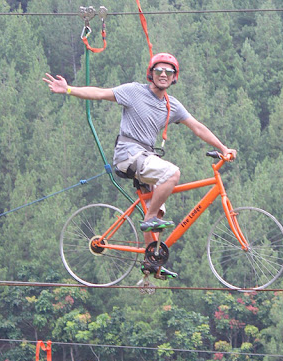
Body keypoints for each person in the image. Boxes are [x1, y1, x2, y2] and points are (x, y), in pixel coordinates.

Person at [43, 52, 237, 278]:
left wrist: (223, 148)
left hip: (144, 157)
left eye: (169, 72)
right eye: (159, 70)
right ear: (150, 74)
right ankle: (149, 219)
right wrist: (68, 89)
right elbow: (100, 93)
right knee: (172, 173)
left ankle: (151, 260)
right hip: (128, 154)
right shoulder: (134, 91)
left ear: (174, 77)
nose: (163, 74)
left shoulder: (171, 105)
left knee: (158, 209)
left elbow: (197, 127)